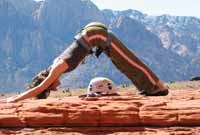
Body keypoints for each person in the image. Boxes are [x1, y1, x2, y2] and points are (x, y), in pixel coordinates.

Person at [1, 22, 168, 103]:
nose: (55, 87)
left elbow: (39, 87)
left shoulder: (56, 69)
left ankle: (157, 87)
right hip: (92, 35)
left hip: (95, 35)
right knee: (121, 62)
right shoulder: (55, 65)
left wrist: (15, 99)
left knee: (127, 59)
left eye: (51, 88)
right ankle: (148, 87)